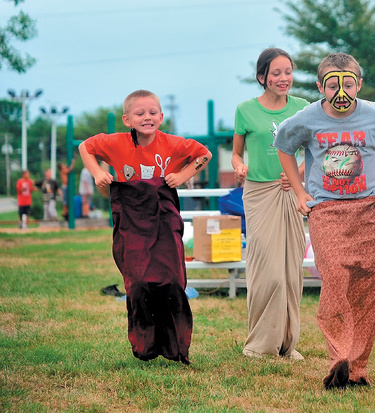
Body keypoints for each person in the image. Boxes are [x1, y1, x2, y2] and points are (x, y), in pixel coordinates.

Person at [274, 52, 375, 389]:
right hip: (327, 210)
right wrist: (301, 193)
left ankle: (358, 368)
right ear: (321, 86)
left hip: (367, 210)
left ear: (359, 84)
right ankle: (340, 359)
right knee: (335, 280)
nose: (341, 91)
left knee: (366, 288)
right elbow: (285, 147)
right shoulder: (307, 119)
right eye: (333, 84)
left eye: (348, 83)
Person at [79, 89, 212, 364]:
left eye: (152, 113)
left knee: (173, 282)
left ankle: (176, 347)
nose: (147, 118)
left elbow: (204, 154)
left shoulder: (173, 144)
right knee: (138, 283)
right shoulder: (116, 143)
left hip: (164, 218)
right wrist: (98, 173)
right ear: (127, 120)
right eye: (140, 113)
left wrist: (183, 174)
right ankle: (145, 345)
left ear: (161, 117)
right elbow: (85, 147)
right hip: (132, 220)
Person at [231, 48, 310, 361]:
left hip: (291, 193)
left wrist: (297, 174)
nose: (283, 78)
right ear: (262, 76)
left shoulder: (304, 108)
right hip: (258, 194)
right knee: (268, 272)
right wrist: (238, 166)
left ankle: (286, 344)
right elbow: (237, 152)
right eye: (276, 73)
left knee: (291, 272)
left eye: (288, 72)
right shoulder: (245, 110)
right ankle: (260, 343)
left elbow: (314, 151)